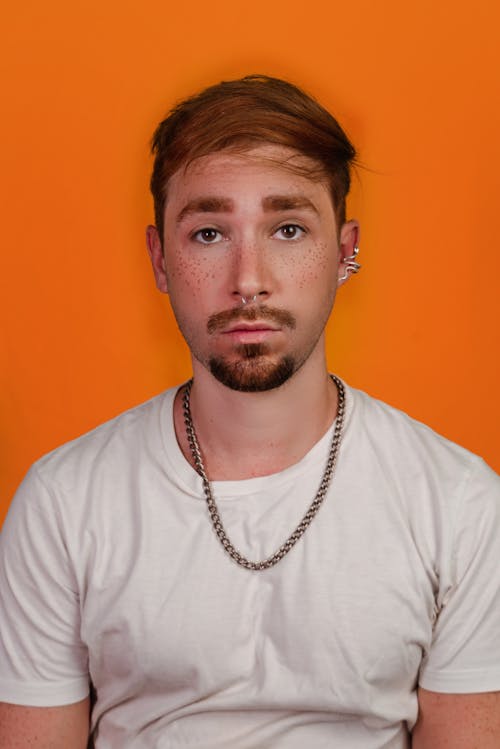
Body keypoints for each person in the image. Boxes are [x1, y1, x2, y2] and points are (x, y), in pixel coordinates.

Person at [0, 75, 499, 749]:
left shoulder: (462, 504)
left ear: (346, 250)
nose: (249, 279)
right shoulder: (63, 500)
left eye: (288, 228)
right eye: (209, 232)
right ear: (160, 258)